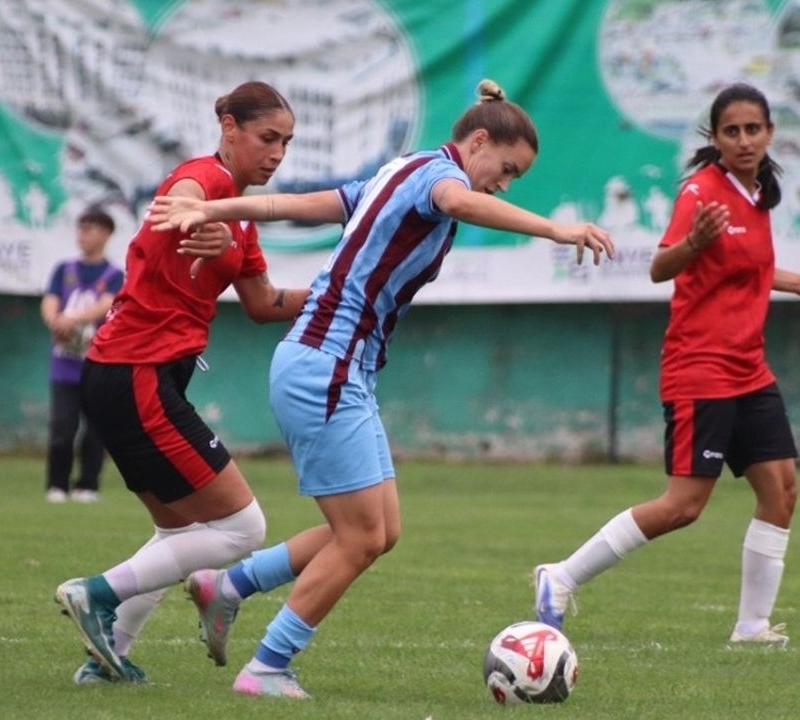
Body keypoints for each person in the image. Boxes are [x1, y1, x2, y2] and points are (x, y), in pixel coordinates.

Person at [147, 79, 615, 699]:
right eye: (506, 169)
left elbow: (297, 204)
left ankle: (227, 587)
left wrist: (215, 209)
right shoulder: (436, 181)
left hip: (335, 368)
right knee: (361, 536)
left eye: (516, 178)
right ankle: (266, 669)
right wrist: (556, 231)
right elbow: (460, 203)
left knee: (379, 531)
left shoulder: (402, 170)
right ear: (477, 141)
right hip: (327, 368)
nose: (504, 184)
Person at [532, 83, 800, 649]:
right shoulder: (701, 193)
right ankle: (560, 577)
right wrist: (693, 245)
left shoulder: (759, 193)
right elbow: (660, 268)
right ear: (716, 138)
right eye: (733, 131)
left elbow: (747, 267)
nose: (745, 139)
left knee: (782, 490)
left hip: (749, 368)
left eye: (754, 129)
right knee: (683, 507)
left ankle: (751, 627)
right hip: (700, 368)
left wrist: (797, 280)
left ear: (771, 133)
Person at [53, 80, 312, 685]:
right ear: (228, 128)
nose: (277, 153)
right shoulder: (205, 180)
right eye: (266, 137)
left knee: (179, 532)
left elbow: (265, 302)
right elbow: (187, 194)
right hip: (136, 372)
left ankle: (106, 657)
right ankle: (98, 592)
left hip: (129, 375)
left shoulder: (241, 219)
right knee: (244, 528)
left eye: (287, 142)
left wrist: (343, 295)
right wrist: (200, 208)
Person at [40, 207, 123, 504]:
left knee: (96, 430)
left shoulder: (114, 275)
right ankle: (57, 484)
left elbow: (105, 305)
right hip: (65, 364)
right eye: (81, 228)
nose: (83, 235)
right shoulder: (64, 270)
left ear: (106, 234)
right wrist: (54, 321)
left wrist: (72, 319)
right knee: (62, 427)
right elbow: (50, 302)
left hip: (99, 366)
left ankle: (88, 484)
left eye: (90, 229)